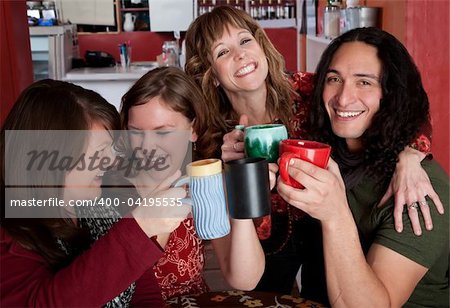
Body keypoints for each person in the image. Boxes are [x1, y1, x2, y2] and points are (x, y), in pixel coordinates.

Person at [184, 5, 444, 294]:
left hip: (327, 224)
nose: (240, 54)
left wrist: (410, 156)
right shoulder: (214, 143)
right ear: (211, 75)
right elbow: (236, 268)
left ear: (260, 44)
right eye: (222, 52)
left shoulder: (309, 90)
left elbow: (406, 109)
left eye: (245, 40)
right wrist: (234, 177)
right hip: (266, 243)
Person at [278, 27, 449, 307]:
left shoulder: (420, 190)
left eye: (365, 82)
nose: (343, 98)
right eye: (334, 79)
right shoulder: (326, 156)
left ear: (391, 93)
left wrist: (334, 214)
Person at [0, 80, 190, 307]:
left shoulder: (107, 202)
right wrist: (140, 228)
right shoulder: (10, 233)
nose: (110, 161)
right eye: (100, 152)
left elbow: (143, 291)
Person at [116, 66, 272, 300]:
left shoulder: (202, 184)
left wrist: (238, 189)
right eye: (135, 132)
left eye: (162, 133)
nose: (145, 147)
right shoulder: (106, 185)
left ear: (194, 130)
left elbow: (245, 279)